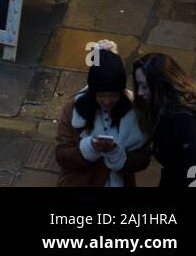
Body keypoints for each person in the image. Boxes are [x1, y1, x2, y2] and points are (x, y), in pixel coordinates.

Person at [55, 42, 150, 187]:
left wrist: (117, 154)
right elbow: (62, 156)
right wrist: (89, 148)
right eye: (101, 95)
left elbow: (143, 158)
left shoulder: (135, 111)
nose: (107, 101)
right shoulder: (72, 109)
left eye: (113, 95)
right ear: (93, 93)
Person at [132, 54, 196, 188]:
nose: (140, 92)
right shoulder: (174, 102)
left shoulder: (183, 121)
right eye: (139, 85)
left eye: (144, 86)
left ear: (161, 85)